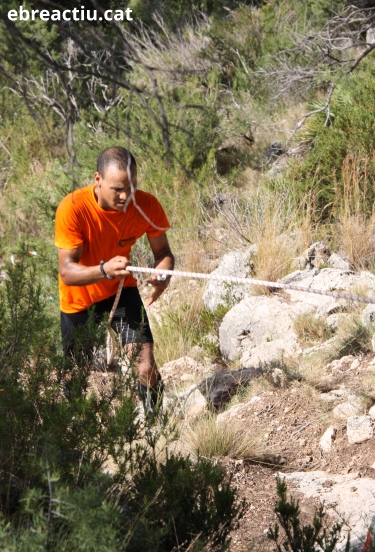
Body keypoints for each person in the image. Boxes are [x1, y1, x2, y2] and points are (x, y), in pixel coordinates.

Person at [54, 146, 174, 412]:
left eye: (131, 187)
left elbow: (163, 253)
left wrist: (162, 274)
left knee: (144, 365)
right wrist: (105, 269)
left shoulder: (147, 205)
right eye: (117, 189)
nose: (125, 196)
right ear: (97, 180)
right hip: (79, 300)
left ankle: (157, 425)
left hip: (121, 290)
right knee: (76, 374)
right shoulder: (72, 208)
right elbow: (67, 272)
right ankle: (72, 433)